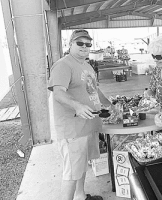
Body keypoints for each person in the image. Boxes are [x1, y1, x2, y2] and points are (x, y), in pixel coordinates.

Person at [48, 29, 113, 200]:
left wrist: (109, 104)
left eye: (88, 44)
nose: (84, 47)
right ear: (70, 44)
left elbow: (94, 90)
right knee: (71, 172)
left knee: (82, 165)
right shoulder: (63, 65)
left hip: (88, 125)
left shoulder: (87, 65)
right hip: (73, 129)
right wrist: (77, 106)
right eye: (80, 43)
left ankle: (80, 196)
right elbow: (58, 93)